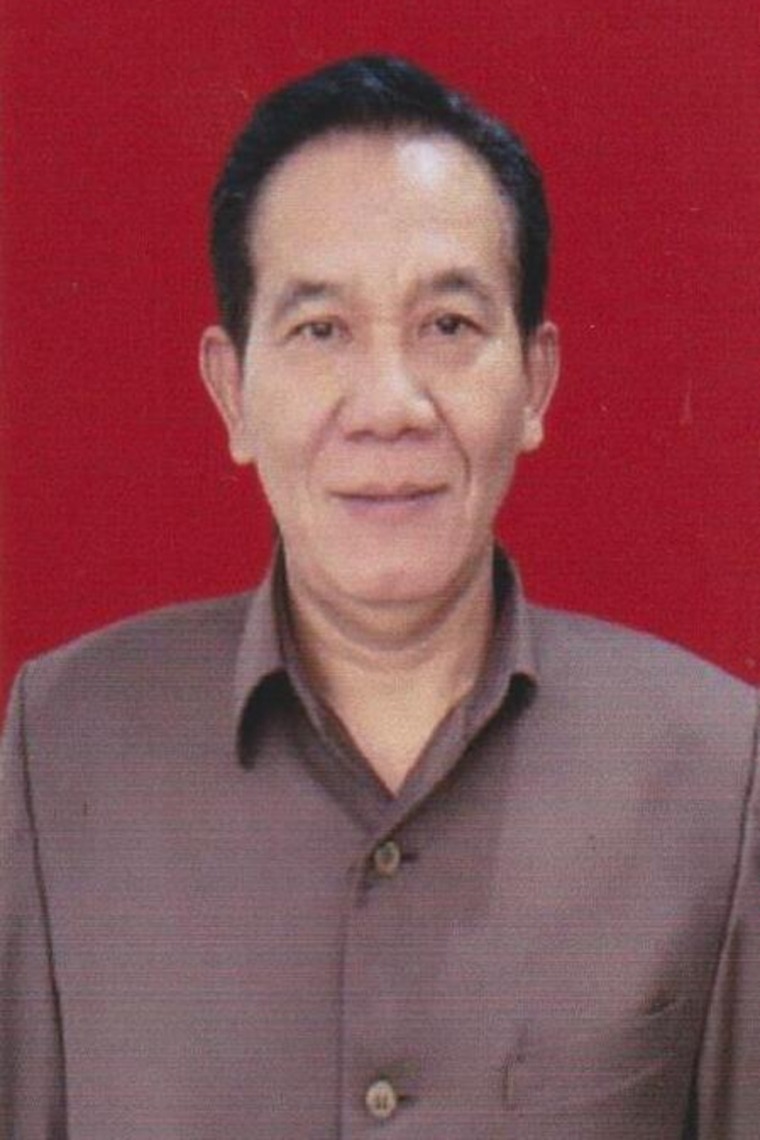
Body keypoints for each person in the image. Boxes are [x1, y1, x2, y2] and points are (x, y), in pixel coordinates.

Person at [1, 55, 758, 1140]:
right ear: (233, 391)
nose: (390, 405)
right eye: (321, 330)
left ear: (535, 382)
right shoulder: (64, 746)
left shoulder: (719, 771)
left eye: (447, 326)